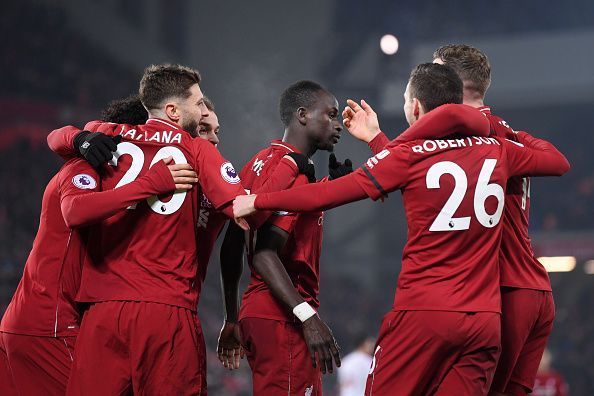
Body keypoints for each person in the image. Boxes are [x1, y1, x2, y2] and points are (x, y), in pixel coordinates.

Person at [233, 63, 570, 395]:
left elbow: (331, 192)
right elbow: (557, 162)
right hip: (484, 321)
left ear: (415, 107)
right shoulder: (498, 149)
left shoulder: (410, 153)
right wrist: (502, 128)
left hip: (422, 313)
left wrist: (260, 201)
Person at [46, 63, 247, 395]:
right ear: (174, 112)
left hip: (105, 310)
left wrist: (78, 136)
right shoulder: (195, 153)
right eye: (202, 119)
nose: (213, 138)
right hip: (166, 310)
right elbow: (244, 210)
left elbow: (57, 137)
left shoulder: (109, 133)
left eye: (215, 130)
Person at [0, 97, 194, 395]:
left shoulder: (110, 179)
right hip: (50, 324)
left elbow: (58, 137)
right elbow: (75, 211)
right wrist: (152, 182)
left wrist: (73, 137)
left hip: (38, 323)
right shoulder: (87, 167)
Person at [432, 44, 557, 396]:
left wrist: (376, 140)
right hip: (536, 289)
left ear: (451, 84)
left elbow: (406, 170)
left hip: (505, 290)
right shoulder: (506, 132)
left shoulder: (466, 134)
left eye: (435, 74)